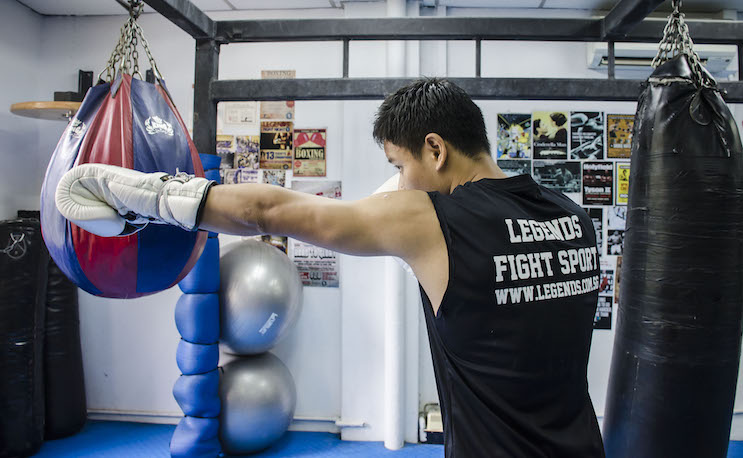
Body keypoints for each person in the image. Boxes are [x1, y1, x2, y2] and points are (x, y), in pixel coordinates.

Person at [55, 78, 605, 457]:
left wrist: (148, 196)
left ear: (435, 149)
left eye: (399, 164)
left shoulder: (432, 219)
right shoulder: (573, 217)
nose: (400, 181)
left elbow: (270, 210)